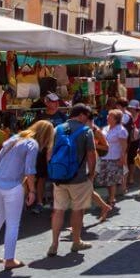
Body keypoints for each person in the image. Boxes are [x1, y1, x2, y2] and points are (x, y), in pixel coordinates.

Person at [0, 120, 54, 270]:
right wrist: (32, 190)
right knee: (13, 224)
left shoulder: (14, 138)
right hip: (12, 185)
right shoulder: (32, 144)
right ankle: (9, 259)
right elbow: (30, 170)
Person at [48, 104, 98, 257]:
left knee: (58, 211)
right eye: (88, 117)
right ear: (82, 115)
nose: (88, 121)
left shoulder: (58, 129)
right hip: (78, 177)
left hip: (59, 178)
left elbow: (49, 153)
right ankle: (76, 242)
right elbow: (91, 155)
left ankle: (54, 244)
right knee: (77, 210)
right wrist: (91, 175)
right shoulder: (86, 131)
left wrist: (53, 171)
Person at [31, 93, 67, 214]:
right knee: (41, 177)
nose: (56, 104)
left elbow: (67, 133)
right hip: (42, 151)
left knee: (55, 177)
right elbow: (33, 132)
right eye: (53, 101)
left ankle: (54, 202)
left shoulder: (63, 116)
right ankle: (40, 202)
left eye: (57, 101)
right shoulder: (40, 117)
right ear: (46, 102)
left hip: (57, 152)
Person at [96, 109, 129, 208]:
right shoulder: (105, 128)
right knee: (106, 180)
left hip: (114, 158)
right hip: (104, 157)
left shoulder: (121, 130)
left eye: (110, 116)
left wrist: (122, 158)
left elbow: (124, 145)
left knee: (112, 180)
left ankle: (111, 198)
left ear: (116, 119)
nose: (107, 117)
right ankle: (111, 197)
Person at [122, 99, 140, 192]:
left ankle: (131, 176)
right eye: (130, 108)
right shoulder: (125, 116)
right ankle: (124, 178)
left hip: (135, 140)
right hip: (126, 140)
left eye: (133, 108)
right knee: (125, 158)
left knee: (132, 159)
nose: (131, 110)